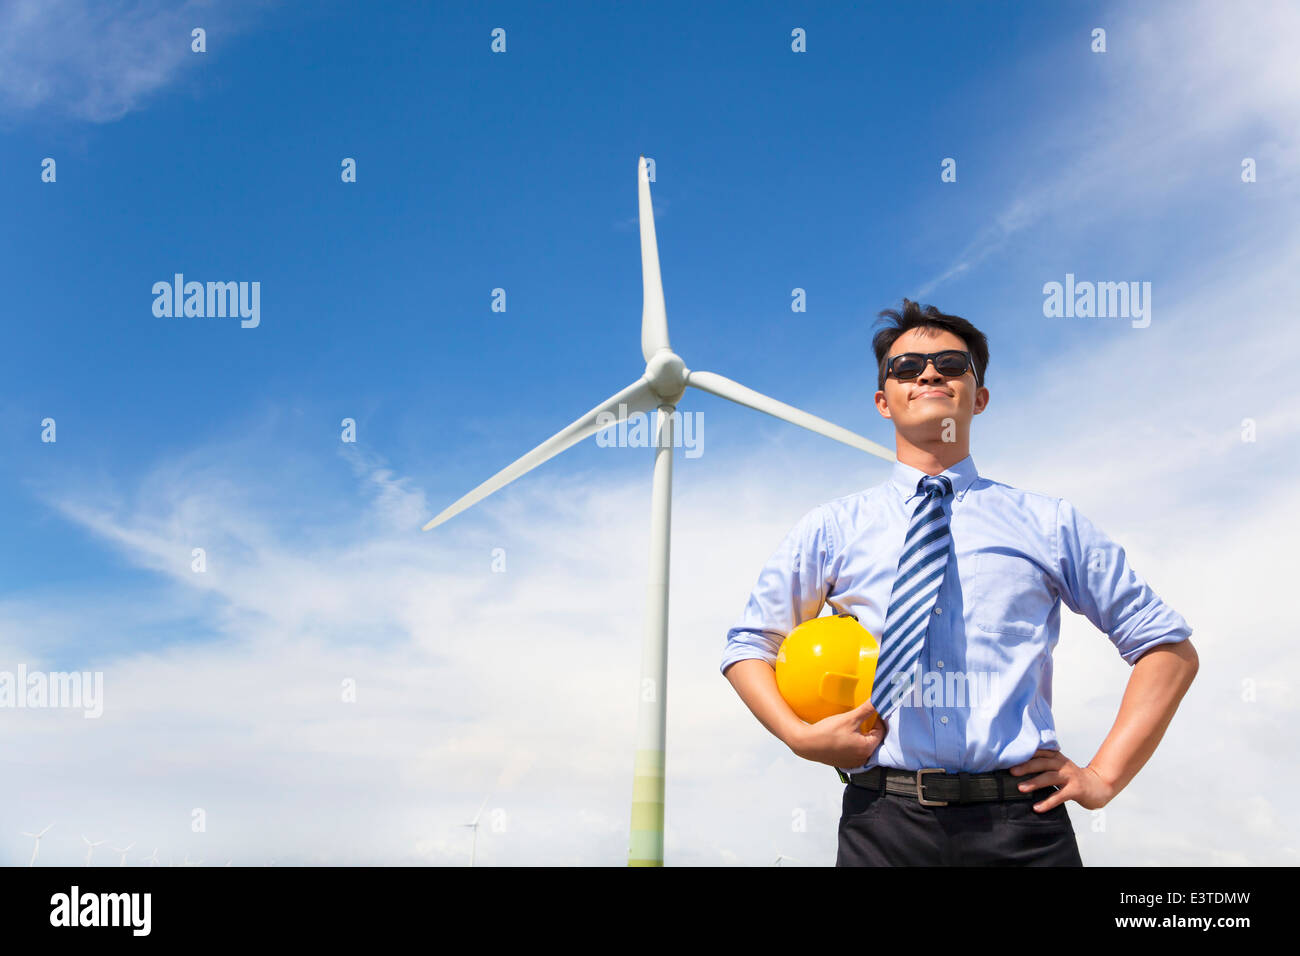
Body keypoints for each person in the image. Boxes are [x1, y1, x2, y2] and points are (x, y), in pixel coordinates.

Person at [719, 298, 1198, 866]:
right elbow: (750, 647)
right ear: (882, 401)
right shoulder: (832, 529)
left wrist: (1103, 776)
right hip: (883, 825)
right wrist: (798, 737)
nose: (927, 373)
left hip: (1023, 826)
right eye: (905, 367)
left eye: (951, 364)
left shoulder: (1049, 523)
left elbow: (1167, 648)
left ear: (980, 396)